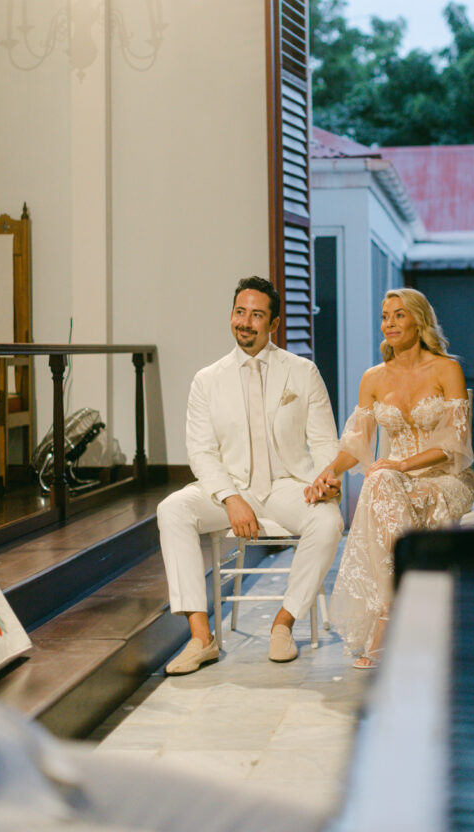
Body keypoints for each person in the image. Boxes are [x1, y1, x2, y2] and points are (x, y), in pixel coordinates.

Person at [157, 276, 343, 674]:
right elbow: (202, 452)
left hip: (287, 486)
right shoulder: (207, 380)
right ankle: (200, 637)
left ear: (273, 323)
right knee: (172, 510)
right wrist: (230, 497)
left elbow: (325, 441)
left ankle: (284, 624)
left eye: (257, 315)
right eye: (240, 312)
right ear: (231, 316)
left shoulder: (302, 372)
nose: (246, 322)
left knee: (328, 522)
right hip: (231, 489)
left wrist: (324, 479)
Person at [305, 288, 474, 668]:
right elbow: (356, 442)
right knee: (379, 482)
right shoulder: (373, 378)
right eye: (385, 316)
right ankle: (393, 608)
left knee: (380, 480)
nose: (390, 323)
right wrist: (329, 472)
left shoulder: (447, 369)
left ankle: (389, 619)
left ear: (420, 320)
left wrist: (400, 465)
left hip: (444, 479)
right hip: (391, 484)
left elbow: (455, 445)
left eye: (399, 315)